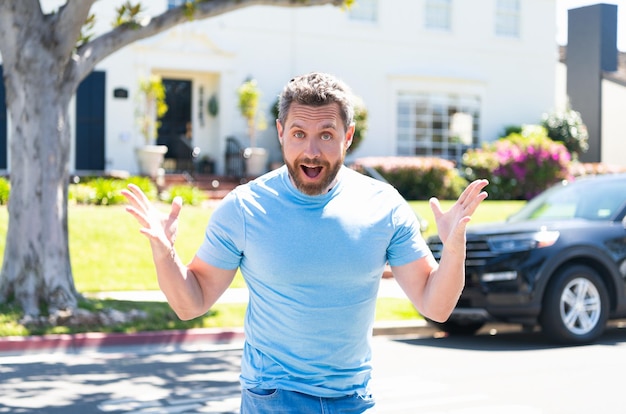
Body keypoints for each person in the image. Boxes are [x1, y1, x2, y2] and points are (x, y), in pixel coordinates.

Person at [122, 72, 488, 413]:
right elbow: (192, 303)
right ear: (281, 132)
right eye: (299, 133)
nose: (311, 150)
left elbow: (436, 307)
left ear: (348, 136)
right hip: (274, 399)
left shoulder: (384, 205)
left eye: (326, 134)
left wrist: (454, 249)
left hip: (354, 399)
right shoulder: (245, 207)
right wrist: (165, 254)